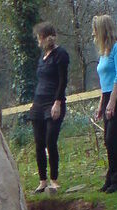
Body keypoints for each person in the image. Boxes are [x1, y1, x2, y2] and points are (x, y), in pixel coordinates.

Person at [92, 14, 117, 193]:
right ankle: (111, 177)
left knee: (113, 137)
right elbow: (104, 81)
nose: (93, 35)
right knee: (108, 140)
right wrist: (102, 103)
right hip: (109, 96)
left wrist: (112, 102)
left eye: (95, 31)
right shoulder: (103, 53)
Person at [29, 22, 69, 193]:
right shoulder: (43, 56)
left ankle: (54, 179)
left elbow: (62, 80)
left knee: (50, 140)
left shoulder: (61, 54)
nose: (38, 40)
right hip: (38, 102)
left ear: (45, 37)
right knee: (39, 143)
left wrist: (57, 103)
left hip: (53, 102)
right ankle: (42, 180)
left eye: (39, 37)